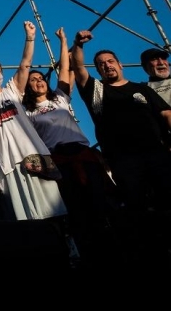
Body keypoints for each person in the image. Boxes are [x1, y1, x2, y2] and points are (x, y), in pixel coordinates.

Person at [71, 29, 171, 268]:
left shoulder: (141, 89)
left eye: (110, 61)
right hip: (123, 160)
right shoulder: (96, 90)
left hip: (156, 154)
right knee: (138, 209)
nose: (107, 66)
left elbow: (166, 114)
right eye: (101, 64)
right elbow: (78, 68)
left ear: (120, 64)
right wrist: (78, 45)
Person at [22, 27, 117, 268]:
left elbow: (66, 68)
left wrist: (64, 41)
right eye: (32, 80)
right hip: (60, 160)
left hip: (83, 155)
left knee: (100, 205)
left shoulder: (60, 98)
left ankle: (112, 253)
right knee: (76, 212)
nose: (38, 81)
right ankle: (88, 258)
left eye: (40, 78)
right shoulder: (29, 113)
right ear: (28, 88)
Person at [0, 22, 67, 223]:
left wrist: (30, 37)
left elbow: (25, 64)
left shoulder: (11, 91)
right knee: (23, 216)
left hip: (30, 156)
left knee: (52, 209)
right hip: (3, 164)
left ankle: (67, 247)